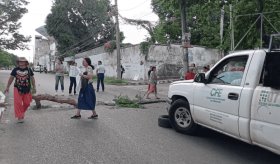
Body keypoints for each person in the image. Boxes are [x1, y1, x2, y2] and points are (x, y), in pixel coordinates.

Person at [4, 57, 36, 123]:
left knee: (27, 103)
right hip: (17, 88)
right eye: (20, 61)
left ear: (25, 62)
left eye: (22, 61)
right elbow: (11, 78)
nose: (21, 62)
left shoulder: (29, 70)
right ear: (18, 62)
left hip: (27, 88)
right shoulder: (15, 70)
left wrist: (34, 87)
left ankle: (21, 112)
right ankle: (20, 116)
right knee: (18, 103)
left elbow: (32, 78)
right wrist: (7, 87)